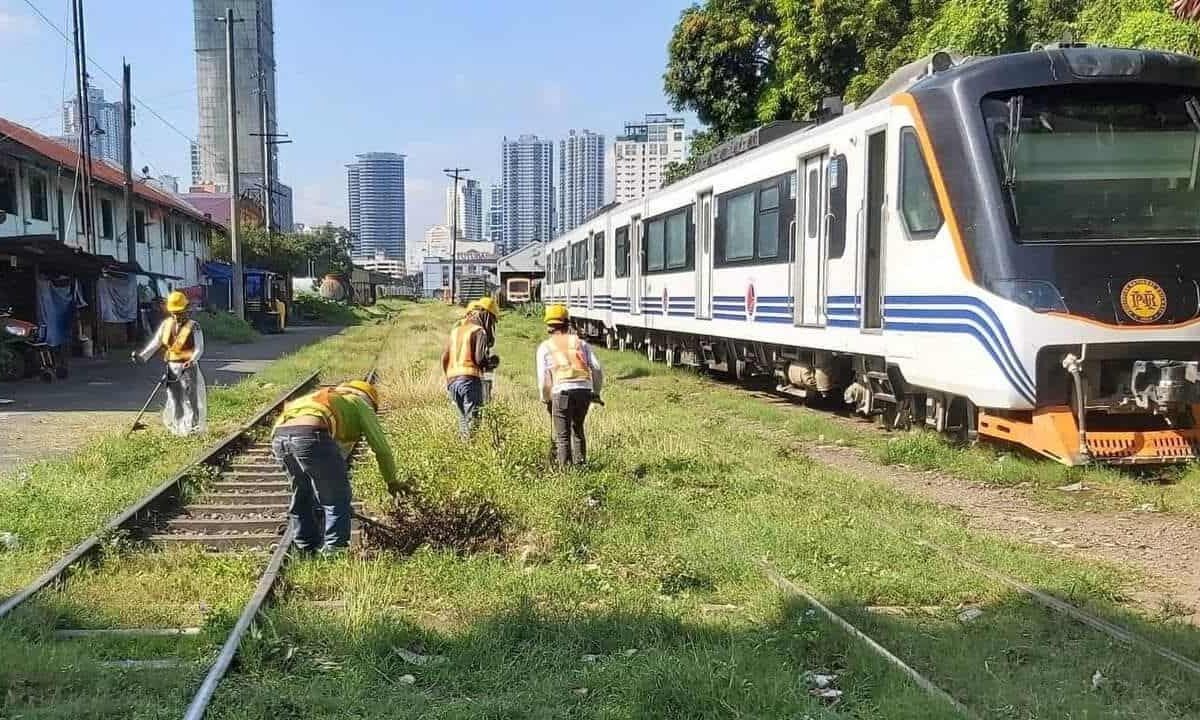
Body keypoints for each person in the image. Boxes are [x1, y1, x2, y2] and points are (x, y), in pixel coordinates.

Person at [271, 380, 402, 554]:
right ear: (369, 399)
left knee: (302, 492)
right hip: (312, 433)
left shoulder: (317, 399)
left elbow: (330, 456)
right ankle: (335, 551)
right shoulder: (358, 402)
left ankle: (305, 546)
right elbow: (382, 449)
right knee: (337, 496)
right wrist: (392, 481)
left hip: (279, 438)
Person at [132, 290, 207, 436]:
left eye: (180, 312)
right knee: (175, 399)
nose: (177, 316)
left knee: (192, 399)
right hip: (172, 368)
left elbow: (199, 347)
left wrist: (192, 360)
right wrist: (143, 357)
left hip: (189, 368)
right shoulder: (166, 325)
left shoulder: (194, 326)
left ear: (186, 309)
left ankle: (194, 428)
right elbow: (156, 343)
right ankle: (178, 428)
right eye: (175, 313)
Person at [536, 304, 603, 466]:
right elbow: (597, 368)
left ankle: (566, 474)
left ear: (548, 326)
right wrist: (595, 392)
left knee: (562, 436)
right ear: (567, 323)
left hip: (562, 392)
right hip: (584, 391)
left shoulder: (545, 347)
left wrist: (546, 398)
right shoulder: (581, 343)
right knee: (577, 429)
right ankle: (581, 466)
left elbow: (544, 380)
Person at [442, 298, 500, 437]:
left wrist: (449, 379)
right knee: (473, 422)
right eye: (491, 321)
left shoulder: (456, 330)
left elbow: (444, 357)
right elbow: (480, 359)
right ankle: (470, 451)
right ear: (486, 316)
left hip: (452, 382)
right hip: (469, 380)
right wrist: (491, 362)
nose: (491, 325)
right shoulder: (479, 331)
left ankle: (463, 450)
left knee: (463, 421)